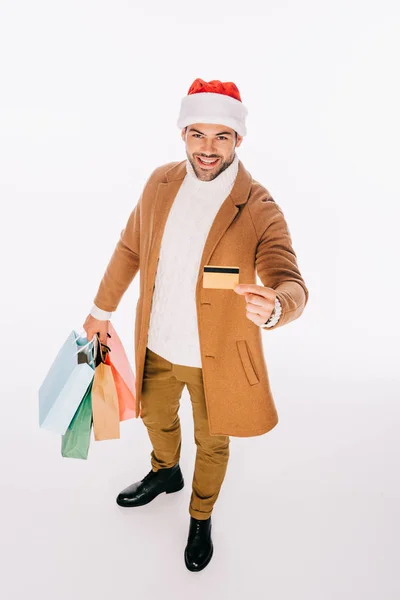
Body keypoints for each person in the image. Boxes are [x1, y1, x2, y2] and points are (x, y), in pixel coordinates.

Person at [83, 78, 309, 572]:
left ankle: (200, 514)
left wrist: (276, 306)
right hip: (158, 346)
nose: (208, 149)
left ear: (238, 141)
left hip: (218, 361)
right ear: (183, 134)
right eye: (197, 135)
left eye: (221, 136)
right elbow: (129, 249)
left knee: (213, 442)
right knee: (153, 417)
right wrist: (101, 310)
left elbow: (288, 277)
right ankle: (165, 472)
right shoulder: (160, 183)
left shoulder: (258, 205)